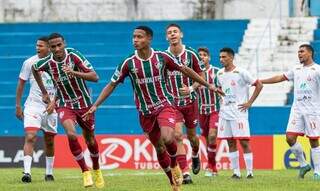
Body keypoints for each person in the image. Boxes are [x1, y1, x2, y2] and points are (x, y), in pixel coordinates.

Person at [82, 26, 219, 191]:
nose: (135, 40)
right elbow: (112, 85)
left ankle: (176, 164)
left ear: (149, 39)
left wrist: (208, 85)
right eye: (134, 37)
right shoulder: (128, 62)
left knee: (170, 138)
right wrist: (95, 105)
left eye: (139, 37)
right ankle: (172, 181)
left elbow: (185, 69)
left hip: (165, 105)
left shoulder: (162, 57)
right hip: (145, 112)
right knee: (160, 148)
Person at [32, 33, 104, 188]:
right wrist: (44, 92)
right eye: (53, 46)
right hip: (65, 104)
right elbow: (34, 68)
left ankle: (96, 170)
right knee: (71, 134)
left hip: (84, 104)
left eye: (59, 45)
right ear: (49, 48)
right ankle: (85, 171)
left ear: (64, 43)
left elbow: (95, 77)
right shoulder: (47, 62)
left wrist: (74, 72)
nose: (57, 49)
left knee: (90, 139)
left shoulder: (74, 55)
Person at [260, 44, 320, 180]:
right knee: (290, 138)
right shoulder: (296, 69)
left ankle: (318, 171)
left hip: (313, 111)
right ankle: (304, 165)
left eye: (302, 51)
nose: (299, 54)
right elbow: (279, 77)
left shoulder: (317, 70)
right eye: (298, 52)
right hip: (297, 110)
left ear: (310, 53)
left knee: (314, 140)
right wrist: (261, 81)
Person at [165, 23, 204, 184]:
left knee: (193, 137)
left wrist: (192, 88)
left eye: (175, 32)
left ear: (181, 35)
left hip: (190, 102)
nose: (172, 34)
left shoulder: (191, 54)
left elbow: (200, 75)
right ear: (166, 37)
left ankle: (195, 154)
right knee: (178, 136)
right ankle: (185, 173)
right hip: (173, 104)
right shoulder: (163, 56)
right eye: (169, 33)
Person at [216, 47, 263, 179]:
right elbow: (220, 89)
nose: (221, 59)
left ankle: (249, 172)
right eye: (220, 57)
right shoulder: (219, 73)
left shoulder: (241, 72)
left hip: (239, 112)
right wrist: (220, 97)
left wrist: (250, 102)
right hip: (225, 112)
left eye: (224, 57)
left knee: (244, 142)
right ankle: (236, 172)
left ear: (231, 57)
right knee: (230, 142)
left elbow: (259, 85)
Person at [16, 36, 57, 183]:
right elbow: (21, 84)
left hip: (52, 106)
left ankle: (49, 173)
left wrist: (55, 102)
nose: (37, 48)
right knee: (31, 136)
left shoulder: (57, 62)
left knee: (49, 140)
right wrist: (18, 105)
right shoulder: (29, 62)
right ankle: (27, 172)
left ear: (49, 47)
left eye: (41, 46)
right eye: (37, 45)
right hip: (33, 105)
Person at [197, 47, 220, 177]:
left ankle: (211, 167)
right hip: (201, 111)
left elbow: (224, 89)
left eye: (204, 55)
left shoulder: (216, 72)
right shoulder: (193, 73)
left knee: (212, 136)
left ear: (209, 58)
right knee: (207, 139)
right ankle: (212, 166)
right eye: (199, 55)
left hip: (215, 109)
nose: (202, 57)